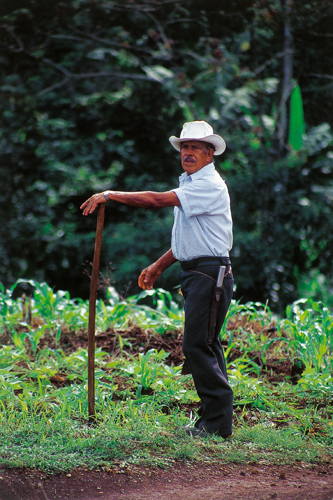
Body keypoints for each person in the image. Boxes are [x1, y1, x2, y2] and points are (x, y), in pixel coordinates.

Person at [81, 120, 234, 438]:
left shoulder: (209, 184)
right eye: (185, 147)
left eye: (195, 147)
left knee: (197, 345)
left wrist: (110, 195)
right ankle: (213, 420)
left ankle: (217, 424)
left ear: (210, 153)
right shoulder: (191, 184)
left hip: (209, 274)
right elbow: (190, 240)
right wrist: (159, 266)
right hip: (198, 272)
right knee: (205, 344)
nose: (188, 152)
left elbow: (155, 201)